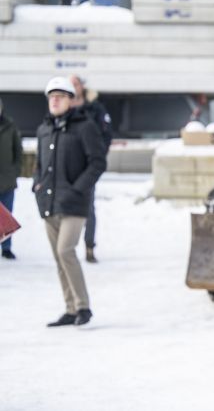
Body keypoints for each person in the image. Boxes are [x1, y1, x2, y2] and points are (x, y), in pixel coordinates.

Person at [33, 77, 106, 327]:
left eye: (60, 97)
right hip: (49, 203)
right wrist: (37, 185)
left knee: (66, 251)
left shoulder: (85, 127)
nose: (55, 101)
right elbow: (40, 164)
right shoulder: (44, 130)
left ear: (70, 100)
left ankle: (83, 306)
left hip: (74, 204)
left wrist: (77, 189)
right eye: (51, 97)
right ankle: (70, 309)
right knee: (59, 257)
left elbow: (97, 162)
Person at [69, 74, 112, 263]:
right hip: (67, 165)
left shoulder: (95, 108)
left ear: (82, 86)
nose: (73, 87)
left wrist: (98, 156)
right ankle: (66, 248)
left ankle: (89, 246)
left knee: (88, 207)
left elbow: (107, 134)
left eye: (76, 83)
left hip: (87, 166)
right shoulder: (64, 106)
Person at [0, 97, 23, 260]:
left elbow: (18, 151)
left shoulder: (10, 125)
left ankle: (6, 248)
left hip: (7, 180)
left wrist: (14, 172)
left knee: (7, 215)